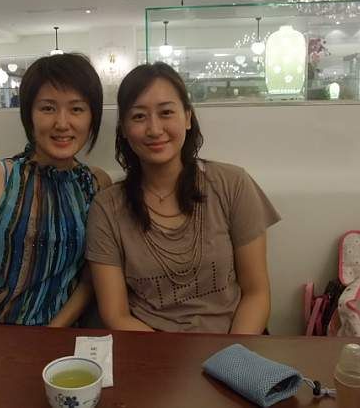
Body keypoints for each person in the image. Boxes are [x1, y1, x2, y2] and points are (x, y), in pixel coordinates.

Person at [86, 62, 280, 334]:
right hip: (150, 347)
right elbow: (116, 315)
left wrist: (233, 355)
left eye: (166, 112)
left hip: (233, 343)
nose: (154, 129)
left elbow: (256, 293)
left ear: (188, 117)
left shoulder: (232, 183)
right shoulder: (107, 208)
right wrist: (168, 358)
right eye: (139, 116)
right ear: (125, 129)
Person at [0, 53, 111, 326]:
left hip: (62, 332)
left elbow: (89, 281)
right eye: (48, 108)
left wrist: (52, 332)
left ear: (92, 118)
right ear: (29, 115)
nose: (62, 123)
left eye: (76, 109)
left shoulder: (97, 184)